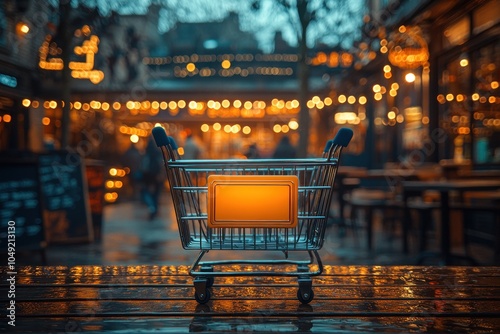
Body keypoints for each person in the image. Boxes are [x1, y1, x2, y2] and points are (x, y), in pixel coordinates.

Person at [140, 138, 165, 220]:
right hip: (157, 177)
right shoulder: (158, 153)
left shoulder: (146, 153)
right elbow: (161, 165)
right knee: (156, 194)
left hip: (148, 177)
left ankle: (152, 207)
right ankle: (155, 208)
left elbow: (143, 166)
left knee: (147, 193)